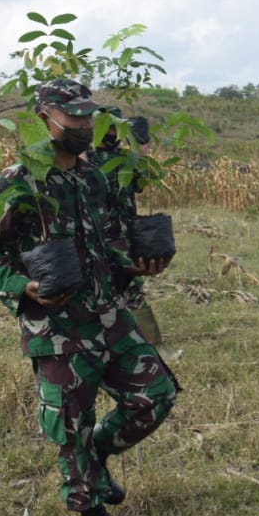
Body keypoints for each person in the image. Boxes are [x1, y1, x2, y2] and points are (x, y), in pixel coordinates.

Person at [0, 79, 180, 516]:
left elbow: (108, 241)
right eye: (75, 120)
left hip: (108, 311)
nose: (85, 127)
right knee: (71, 425)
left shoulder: (94, 177)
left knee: (156, 395)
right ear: (44, 117)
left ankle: (100, 457)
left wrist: (138, 262)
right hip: (59, 325)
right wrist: (24, 286)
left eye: (89, 117)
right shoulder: (17, 181)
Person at [86, 114, 181, 363]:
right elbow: (143, 170)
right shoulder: (105, 161)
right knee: (126, 291)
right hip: (110, 237)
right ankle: (151, 348)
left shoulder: (108, 158)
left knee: (127, 291)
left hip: (115, 235)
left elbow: (139, 180)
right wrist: (140, 142)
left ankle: (148, 347)